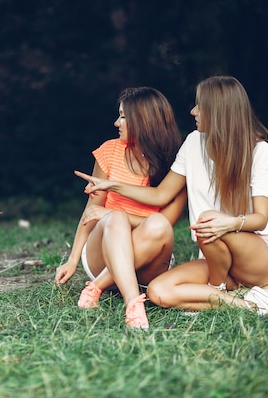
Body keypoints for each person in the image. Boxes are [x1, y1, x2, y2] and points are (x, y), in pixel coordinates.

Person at [75, 76, 268, 315]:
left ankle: (215, 288)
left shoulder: (259, 151)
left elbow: (260, 218)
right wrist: (111, 185)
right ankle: (250, 305)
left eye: (199, 105)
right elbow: (160, 195)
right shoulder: (193, 143)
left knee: (208, 218)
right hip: (214, 255)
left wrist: (228, 223)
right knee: (158, 291)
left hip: (255, 251)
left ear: (218, 110)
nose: (193, 111)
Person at [55, 87, 186, 329]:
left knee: (154, 223)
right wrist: (72, 260)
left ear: (144, 121)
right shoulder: (109, 151)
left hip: (148, 262)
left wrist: (114, 213)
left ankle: (97, 288)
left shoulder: (176, 165)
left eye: (124, 117)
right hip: (102, 255)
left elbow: (165, 225)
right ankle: (133, 305)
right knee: (114, 219)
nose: (117, 123)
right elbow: (92, 211)